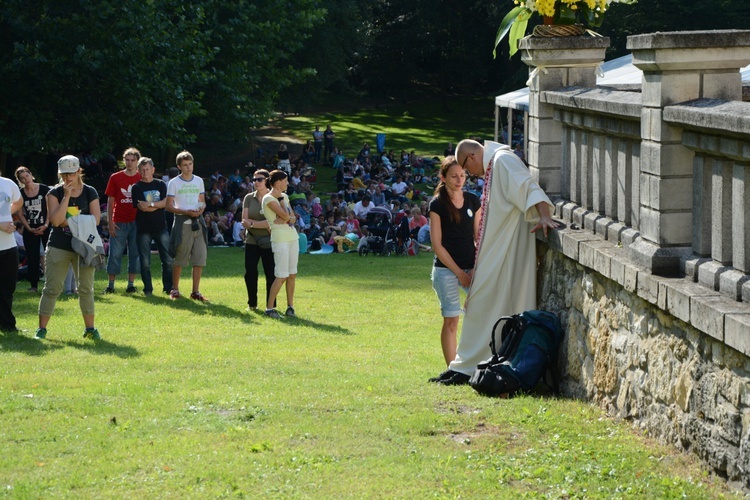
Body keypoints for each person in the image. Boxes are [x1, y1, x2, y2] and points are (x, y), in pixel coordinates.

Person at [430, 139, 558, 385]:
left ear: (471, 157)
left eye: (468, 171)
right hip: (497, 249)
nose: (471, 175)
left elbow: (528, 188)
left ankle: (468, 366)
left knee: (480, 301)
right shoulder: (496, 164)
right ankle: (464, 365)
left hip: (506, 249)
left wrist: (544, 215)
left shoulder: (503, 161)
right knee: (480, 302)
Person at [35, 155, 102, 340]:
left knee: (86, 289)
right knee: (52, 288)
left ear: (79, 171)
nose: (67, 178)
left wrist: (68, 221)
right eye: (64, 175)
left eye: (71, 174)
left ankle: (90, 330)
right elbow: (56, 221)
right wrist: (66, 196)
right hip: (59, 246)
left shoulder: (90, 192)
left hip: (85, 246)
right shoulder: (54, 193)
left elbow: (96, 219)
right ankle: (41, 330)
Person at [424, 157, 481, 367]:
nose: (459, 180)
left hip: (471, 267)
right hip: (446, 270)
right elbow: (437, 245)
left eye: (463, 175)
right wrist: (459, 273)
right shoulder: (437, 204)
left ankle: (474, 360)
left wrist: (475, 268)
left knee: (480, 313)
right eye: (454, 176)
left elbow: (479, 237)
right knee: (451, 320)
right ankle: (453, 369)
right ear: (443, 177)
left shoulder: (473, 200)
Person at [166, 150, 209, 302]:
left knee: (199, 259)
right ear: (179, 167)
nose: (188, 167)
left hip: (198, 222)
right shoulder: (173, 183)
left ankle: (195, 291)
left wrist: (201, 209)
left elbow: (202, 200)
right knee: (180, 258)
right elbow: (169, 206)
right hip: (182, 223)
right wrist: (186, 211)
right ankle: (175, 289)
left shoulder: (198, 180)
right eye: (185, 165)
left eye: (190, 164)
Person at [131, 157, 173, 296]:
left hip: (161, 227)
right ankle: (148, 289)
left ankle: (168, 288)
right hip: (143, 230)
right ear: (138, 171)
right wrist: (157, 204)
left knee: (167, 259)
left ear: (153, 170)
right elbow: (141, 208)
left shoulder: (161, 184)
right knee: (145, 262)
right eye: (142, 170)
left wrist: (150, 204)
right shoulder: (136, 187)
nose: (145, 172)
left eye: (147, 169)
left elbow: (165, 203)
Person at [104, 147, 142, 294]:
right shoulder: (115, 177)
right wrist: (110, 221)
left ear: (137, 161)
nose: (130, 162)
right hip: (119, 220)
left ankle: (131, 284)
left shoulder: (142, 178)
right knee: (115, 252)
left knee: (135, 253)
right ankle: (110, 285)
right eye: (127, 160)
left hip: (137, 221)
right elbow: (110, 200)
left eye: (133, 160)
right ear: (123, 160)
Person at [261, 170, 298, 319]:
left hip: (292, 237)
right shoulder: (268, 198)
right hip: (280, 239)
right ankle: (269, 309)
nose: (288, 183)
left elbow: (293, 218)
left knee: (292, 274)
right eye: (285, 180)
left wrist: (287, 217)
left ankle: (290, 307)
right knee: (281, 276)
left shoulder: (286, 196)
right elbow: (285, 215)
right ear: (278, 182)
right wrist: (283, 208)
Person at [241, 169, 275, 310]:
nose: (256, 182)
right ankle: (252, 304)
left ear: (267, 180)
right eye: (254, 179)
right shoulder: (249, 197)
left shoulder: (273, 197)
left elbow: (272, 222)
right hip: (252, 240)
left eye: (259, 179)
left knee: (271, 273)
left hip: (270, 241)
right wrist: (262, 224)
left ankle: (271, 305)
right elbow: (244, 220)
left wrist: (253, 224)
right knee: (250, 273)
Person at [15, 167, 50, 293]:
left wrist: (46, 225)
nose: (26, 179)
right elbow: (20, 214)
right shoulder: (20, 193)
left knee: (50, 255)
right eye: (22, 178)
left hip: (46, 226)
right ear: (20, 181)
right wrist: (28, 228)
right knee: (32, 257)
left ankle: (51, 283)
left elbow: (50, 208)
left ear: (31, 175)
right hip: (30, 228)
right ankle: (34, 285)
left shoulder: (44, 189)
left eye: (27, 176)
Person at [0, 170, 23, 332]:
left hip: (9, 246)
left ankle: (7, 324)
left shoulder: (8, 183)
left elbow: (19, 201)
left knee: (8, 288)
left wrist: (8, 212)